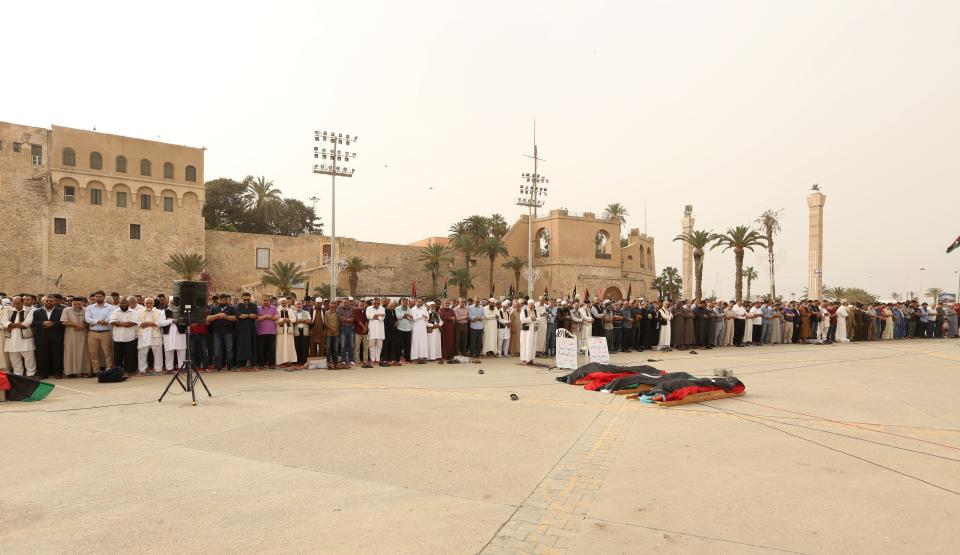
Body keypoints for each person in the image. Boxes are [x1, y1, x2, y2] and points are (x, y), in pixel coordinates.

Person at [2, 296, 37, 376]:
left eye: (17, 304)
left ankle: (31, 374)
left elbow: (26, 323)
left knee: (29, 358)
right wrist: (16, 324)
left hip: (25, 339)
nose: (15, 305)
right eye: (14, 304)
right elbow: (4, 322)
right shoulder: (9, 310)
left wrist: (10, 325)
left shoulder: (30, 310)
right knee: (14, 359)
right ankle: (18, 374)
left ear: (22, 302)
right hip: (12, 339)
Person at [32, 295, 64, 380]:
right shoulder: (37, 312)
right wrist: (43, 323)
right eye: (47, 301)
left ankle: (57, 373)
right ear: (43, 302)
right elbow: (34, 323)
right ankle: (42, 374)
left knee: (57, 356)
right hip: (42, 337)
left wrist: (53, 323)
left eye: (51, 301)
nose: (49, 302)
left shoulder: (61, 311)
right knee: (42, 356)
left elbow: (63, 322)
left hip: (56, 337)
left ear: (54, 302)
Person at [84, 290, 114, 372]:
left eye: (100, 296)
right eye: (96, 297)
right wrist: (98, 321)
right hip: (93, 333)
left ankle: (109, 368)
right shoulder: (90, 307)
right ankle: (96, 370)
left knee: (107, 352)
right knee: (93, 353)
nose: (98, 298)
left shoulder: (111, 307)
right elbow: (87, 319)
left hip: (106, 332)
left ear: (104, 297)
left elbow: (109, 319)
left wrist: (94, 321)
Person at [108, 296, 139, 375]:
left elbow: (133, 323)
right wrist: (125, 323)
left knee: (129, 356)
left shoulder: (133, 312)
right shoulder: (115, 312)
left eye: (125, 303)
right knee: (118, 356)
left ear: (128, 304)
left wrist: (119, 323)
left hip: (129, 337)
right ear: (119, 304)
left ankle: (129, 371)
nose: (123, 304)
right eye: (122, 303)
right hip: (117, 338)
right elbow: (112, 322)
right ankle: (118, 372)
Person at [60, 297, 90, 377]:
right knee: (70, 352)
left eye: (79, 304)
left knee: (84, 353)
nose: (77, 305)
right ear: (72, 303)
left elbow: (90, 322)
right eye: (75, 304)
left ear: (82, 303)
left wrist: (83, 326)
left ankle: (84, 371)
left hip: (83, 334)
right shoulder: (66, 310)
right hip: (70, 335)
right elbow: (64, 322)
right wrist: (77, 325)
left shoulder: (86, 310)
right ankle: (70, 372)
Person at [136, 296, 164, 375]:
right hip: (143, 334)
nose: (148, 305)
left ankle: (158, 369)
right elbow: (136, 322)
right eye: (147, 303)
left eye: (150, 303)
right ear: (144, 303)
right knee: (142, 353)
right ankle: (142, 370)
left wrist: (151, 323)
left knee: (158, 352)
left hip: (155, 334)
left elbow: (161, 322)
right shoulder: (139, 312)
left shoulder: (159, 312)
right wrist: (142, 324)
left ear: (153, 304)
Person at [160, 298, 187, 374]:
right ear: (168, 303)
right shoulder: (164, 312)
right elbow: (160, 323)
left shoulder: (182, 311)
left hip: (180, 333)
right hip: (168, 334)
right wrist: (171, 320)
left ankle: (182, 368)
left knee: (181, 350)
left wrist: (176, 320)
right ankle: (169, 369)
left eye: (174, 303)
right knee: (168, 351)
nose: (173, 304)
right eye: (171, 303)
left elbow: (186, 321)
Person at [235, 292, 259, 369]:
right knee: (242, 346)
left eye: (248, 300)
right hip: (241, 330)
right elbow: (239, 316)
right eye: (245, 299)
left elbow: (255, 315)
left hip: (251, 329)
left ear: (250, 298)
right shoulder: (239, 305)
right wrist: (249, 315)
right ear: (242, 298)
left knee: (252, 345)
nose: (246, 301)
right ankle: (241, 363)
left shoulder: (253, 305)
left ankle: (252, 362)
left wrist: (245, 315)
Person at [274, 298, 297, 367]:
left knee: (289, 345)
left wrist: (289, 320)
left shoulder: (290, 310)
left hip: (288, 331)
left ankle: (289, 360)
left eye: (285, 303)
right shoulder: (277, 310)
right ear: (280, 303)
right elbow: (275, 320)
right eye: (283, 303)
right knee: (280, 345)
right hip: (281, 331)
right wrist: (282, 320)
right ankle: (280, 361)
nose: (284, 304)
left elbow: (294, 319)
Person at [408, 298, 429, 363]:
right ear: (416, 302)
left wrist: (424, 317)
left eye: (421, 302)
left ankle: (422, 357)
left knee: (423, 342)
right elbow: (413, 318)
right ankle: (415, 358)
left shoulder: (424, 309)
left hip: (423, 327)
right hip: (416, 327)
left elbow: (427, 317)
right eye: (418, 302)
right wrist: (420, 316)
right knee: (415, 342)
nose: (420, 303)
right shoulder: (412, 310)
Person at [366, 298, 386, 366]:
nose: (376, 305)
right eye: (374, 303)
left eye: (377, 303)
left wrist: (374, 316)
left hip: (380, 329)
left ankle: (377, 359)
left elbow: (383, 317)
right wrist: (378, 315)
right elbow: (368, 316)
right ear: (372, 303)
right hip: (372, 329)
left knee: (379, 345)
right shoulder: (368, 308)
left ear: (379, 303)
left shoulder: (382, 308)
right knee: (371, 345)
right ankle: (372, 359)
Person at [294, 299, 312, 367]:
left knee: (305, 347)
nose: (299, 305)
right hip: (296, 331)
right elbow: (292, 321)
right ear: (295, 305)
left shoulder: (306, 312)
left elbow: (310, 321)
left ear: (302, 305)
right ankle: (298, 361)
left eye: (300, 304)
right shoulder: (293, 312)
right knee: (297, 346)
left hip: (304, 331)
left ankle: (304, 361)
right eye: (297, 304)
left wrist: (303, 320)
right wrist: (298, 321)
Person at [322, 299, 340, 369]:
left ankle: (335, 363)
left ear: (336, 306)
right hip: (329, 333)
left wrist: (335, 329)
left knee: (335, 349)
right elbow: (325, 322)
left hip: (336, 333)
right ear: (329, 305)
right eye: (331, 305)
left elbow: (339, 322)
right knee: (328, 348)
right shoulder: (326, 313)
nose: (333, 307)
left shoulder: (338, 313)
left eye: (334, 306)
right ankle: (328, 362)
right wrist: (332, 328)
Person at [519, 299, 538, 364]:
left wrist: (535, 319)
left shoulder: (535, 311)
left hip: (533, 330)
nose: (532, 306)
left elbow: (539, 319)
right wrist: (531, 319)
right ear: (528, 305)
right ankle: (524, 359)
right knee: (525, 344)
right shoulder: (524, 311)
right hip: (526, 331)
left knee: (533, 344)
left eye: (533, 305)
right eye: (531, 305)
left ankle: (531, 358)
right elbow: (522, 320)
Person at [383, 300, 400, 366]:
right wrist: (393, 323)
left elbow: (395, 318)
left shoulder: (393, 310)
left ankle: (391, 358)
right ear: (389, 305)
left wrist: (396, 322)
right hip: (387, 330)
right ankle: (385, 358)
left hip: (393, 330)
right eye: (392, 306)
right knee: (386, 345)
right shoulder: (386, 311)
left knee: (392, 345)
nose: (393, 307)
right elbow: (386, 320)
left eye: (394, 306)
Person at [353, 300, 370, 366]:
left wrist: (366, 327)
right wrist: (364, 327)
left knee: (366, 347)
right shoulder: (356, 310)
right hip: (358, 331)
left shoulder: (367, 311)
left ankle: (365, 360)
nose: (362, 306)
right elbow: (357, 320)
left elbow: (367, 319)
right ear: (358, 305)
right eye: (360, 305)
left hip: (365, 332)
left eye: (363, 305)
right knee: (357, 347)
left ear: (365, 305)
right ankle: (357, 360)